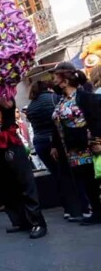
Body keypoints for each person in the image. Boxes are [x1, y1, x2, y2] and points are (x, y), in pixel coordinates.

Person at [0, 97, 47, 239]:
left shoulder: (5, 97)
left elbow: (7, 104)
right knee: (6, 187)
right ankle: (19, 221)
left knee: (25, 184)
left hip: (11, 145)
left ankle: (37, 222)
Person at [50, 62, 101, 225]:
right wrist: (55, 145)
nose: (54, 80)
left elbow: (96, 120)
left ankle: (97, 211)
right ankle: (96, 210)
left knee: (93, 179)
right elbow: (57, 124)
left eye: (56, 77)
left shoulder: (84, 97)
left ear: (65, 80)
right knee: (85, 180)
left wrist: (97, 141)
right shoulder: (61, 101)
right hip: (72, 148)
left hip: (87, 146)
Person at [26, 81, 82, 220]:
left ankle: (66, 208)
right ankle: (76, 207)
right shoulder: (54, 98)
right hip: (55, 141)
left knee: (56, 175)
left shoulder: (31, 105)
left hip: (40, 142)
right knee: (66, 174)